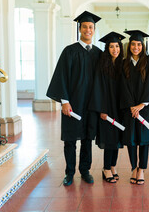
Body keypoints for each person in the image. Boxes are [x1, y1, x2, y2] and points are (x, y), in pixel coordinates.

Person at [46, 11, 102, 186]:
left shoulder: (99, 54)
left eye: (90, 27)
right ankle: (69, 172)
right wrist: (64, 101)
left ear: (94, 30)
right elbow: (61, 76)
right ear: (79, 28)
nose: (87, 29)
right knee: (70, 140)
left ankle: (85, 171)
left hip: (91, 104)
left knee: (87, 139)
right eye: (84, 26)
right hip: (73, 103)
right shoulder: (69, 51)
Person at [120, 30, 149, 185]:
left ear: (143, 46)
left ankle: (141, 169)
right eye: (133, 44)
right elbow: (122, 87)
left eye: (139, 44)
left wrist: (141, 105)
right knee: (131, 140)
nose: (136, 47)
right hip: (130, 109)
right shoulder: (124, 63)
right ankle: (133, 168)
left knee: (143, 140)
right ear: (129, 45)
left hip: (146, 108)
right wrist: (131, 106)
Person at [88, 32, 125, 183]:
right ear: (107, 48)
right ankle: (106, 168)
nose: (114, 49)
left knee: (116, 139)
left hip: (120, 108)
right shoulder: (102, 65)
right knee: (109, 139)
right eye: (111, 46)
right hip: (107, 109)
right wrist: (102, 109)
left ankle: (113, 166)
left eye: (117, 46)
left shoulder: (123, 65)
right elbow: (97, 88)